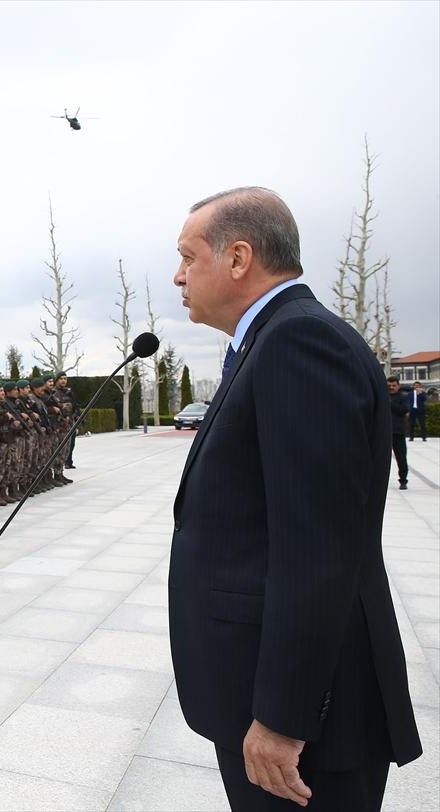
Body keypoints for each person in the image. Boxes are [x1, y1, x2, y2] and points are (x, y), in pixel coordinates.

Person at [170, 187, 421, 810]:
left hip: (310, 721)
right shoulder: (267, 342)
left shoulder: (298, 344)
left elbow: (317, 549)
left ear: (238, 258)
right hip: (272, 694)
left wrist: (283, 717)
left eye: (188, 256)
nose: (178, 276)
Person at [387, 377, 410, 490]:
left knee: (401, 458)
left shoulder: (403, 397)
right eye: (389, 386)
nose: (391, 388)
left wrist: (389, 403)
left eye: (393, 385)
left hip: (398, 432)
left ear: (398, 386)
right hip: (384, 432)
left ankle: (403, 480)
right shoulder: (383, 396)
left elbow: (404, 410)